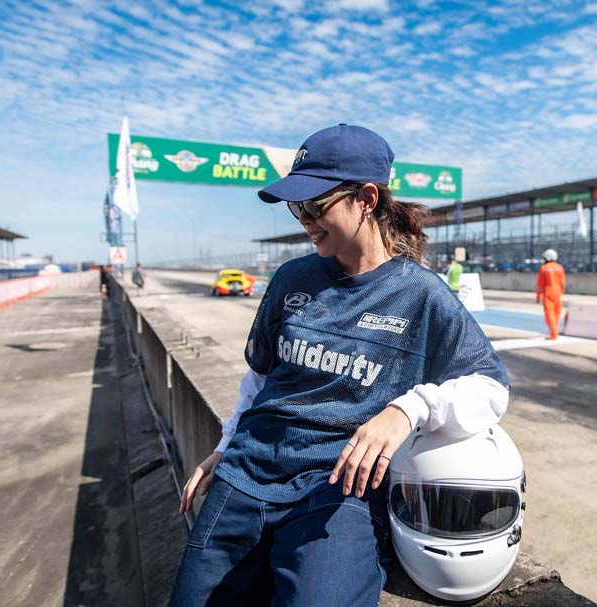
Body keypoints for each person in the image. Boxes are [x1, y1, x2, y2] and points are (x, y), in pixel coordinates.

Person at [169, 124, 509, 607]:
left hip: (338, 490)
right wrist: (224, 447)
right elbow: (261, 378)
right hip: (245, 475)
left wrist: (408, 410)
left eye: (315, 205)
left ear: (366, 199)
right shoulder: (291, 278)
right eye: (297, 208)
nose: (305, 220)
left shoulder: (421, 294)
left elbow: (491, 386)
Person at [536, 249, 565, 340]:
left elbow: (540, 285)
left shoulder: (544, 268)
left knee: (549, 314)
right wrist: (560, 293)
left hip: (548, 293)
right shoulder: (560, 268)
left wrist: (538, 297)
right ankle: (555, 332)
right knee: (557, 313)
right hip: (557, 293)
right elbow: (562, 282)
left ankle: (553, 334)